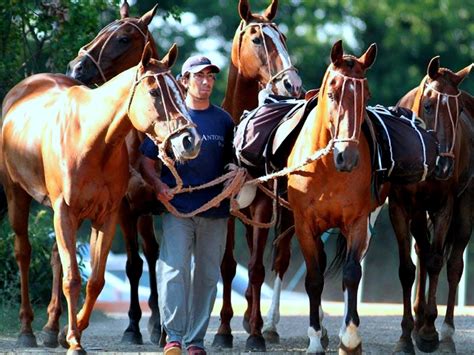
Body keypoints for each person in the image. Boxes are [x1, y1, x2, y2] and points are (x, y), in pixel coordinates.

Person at [140, 55, 234, 355]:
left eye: (210, 76)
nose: (205, 81)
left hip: (215, 211)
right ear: (184, 81)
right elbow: (146, 161)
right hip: (178, 209)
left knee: (207, 276)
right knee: (173, 271)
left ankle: (195, 341)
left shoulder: (224, 120)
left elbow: (233, 159)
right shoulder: (169, 118)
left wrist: (235, 172)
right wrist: (158, 186)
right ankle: (174, 338)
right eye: (198, 76)